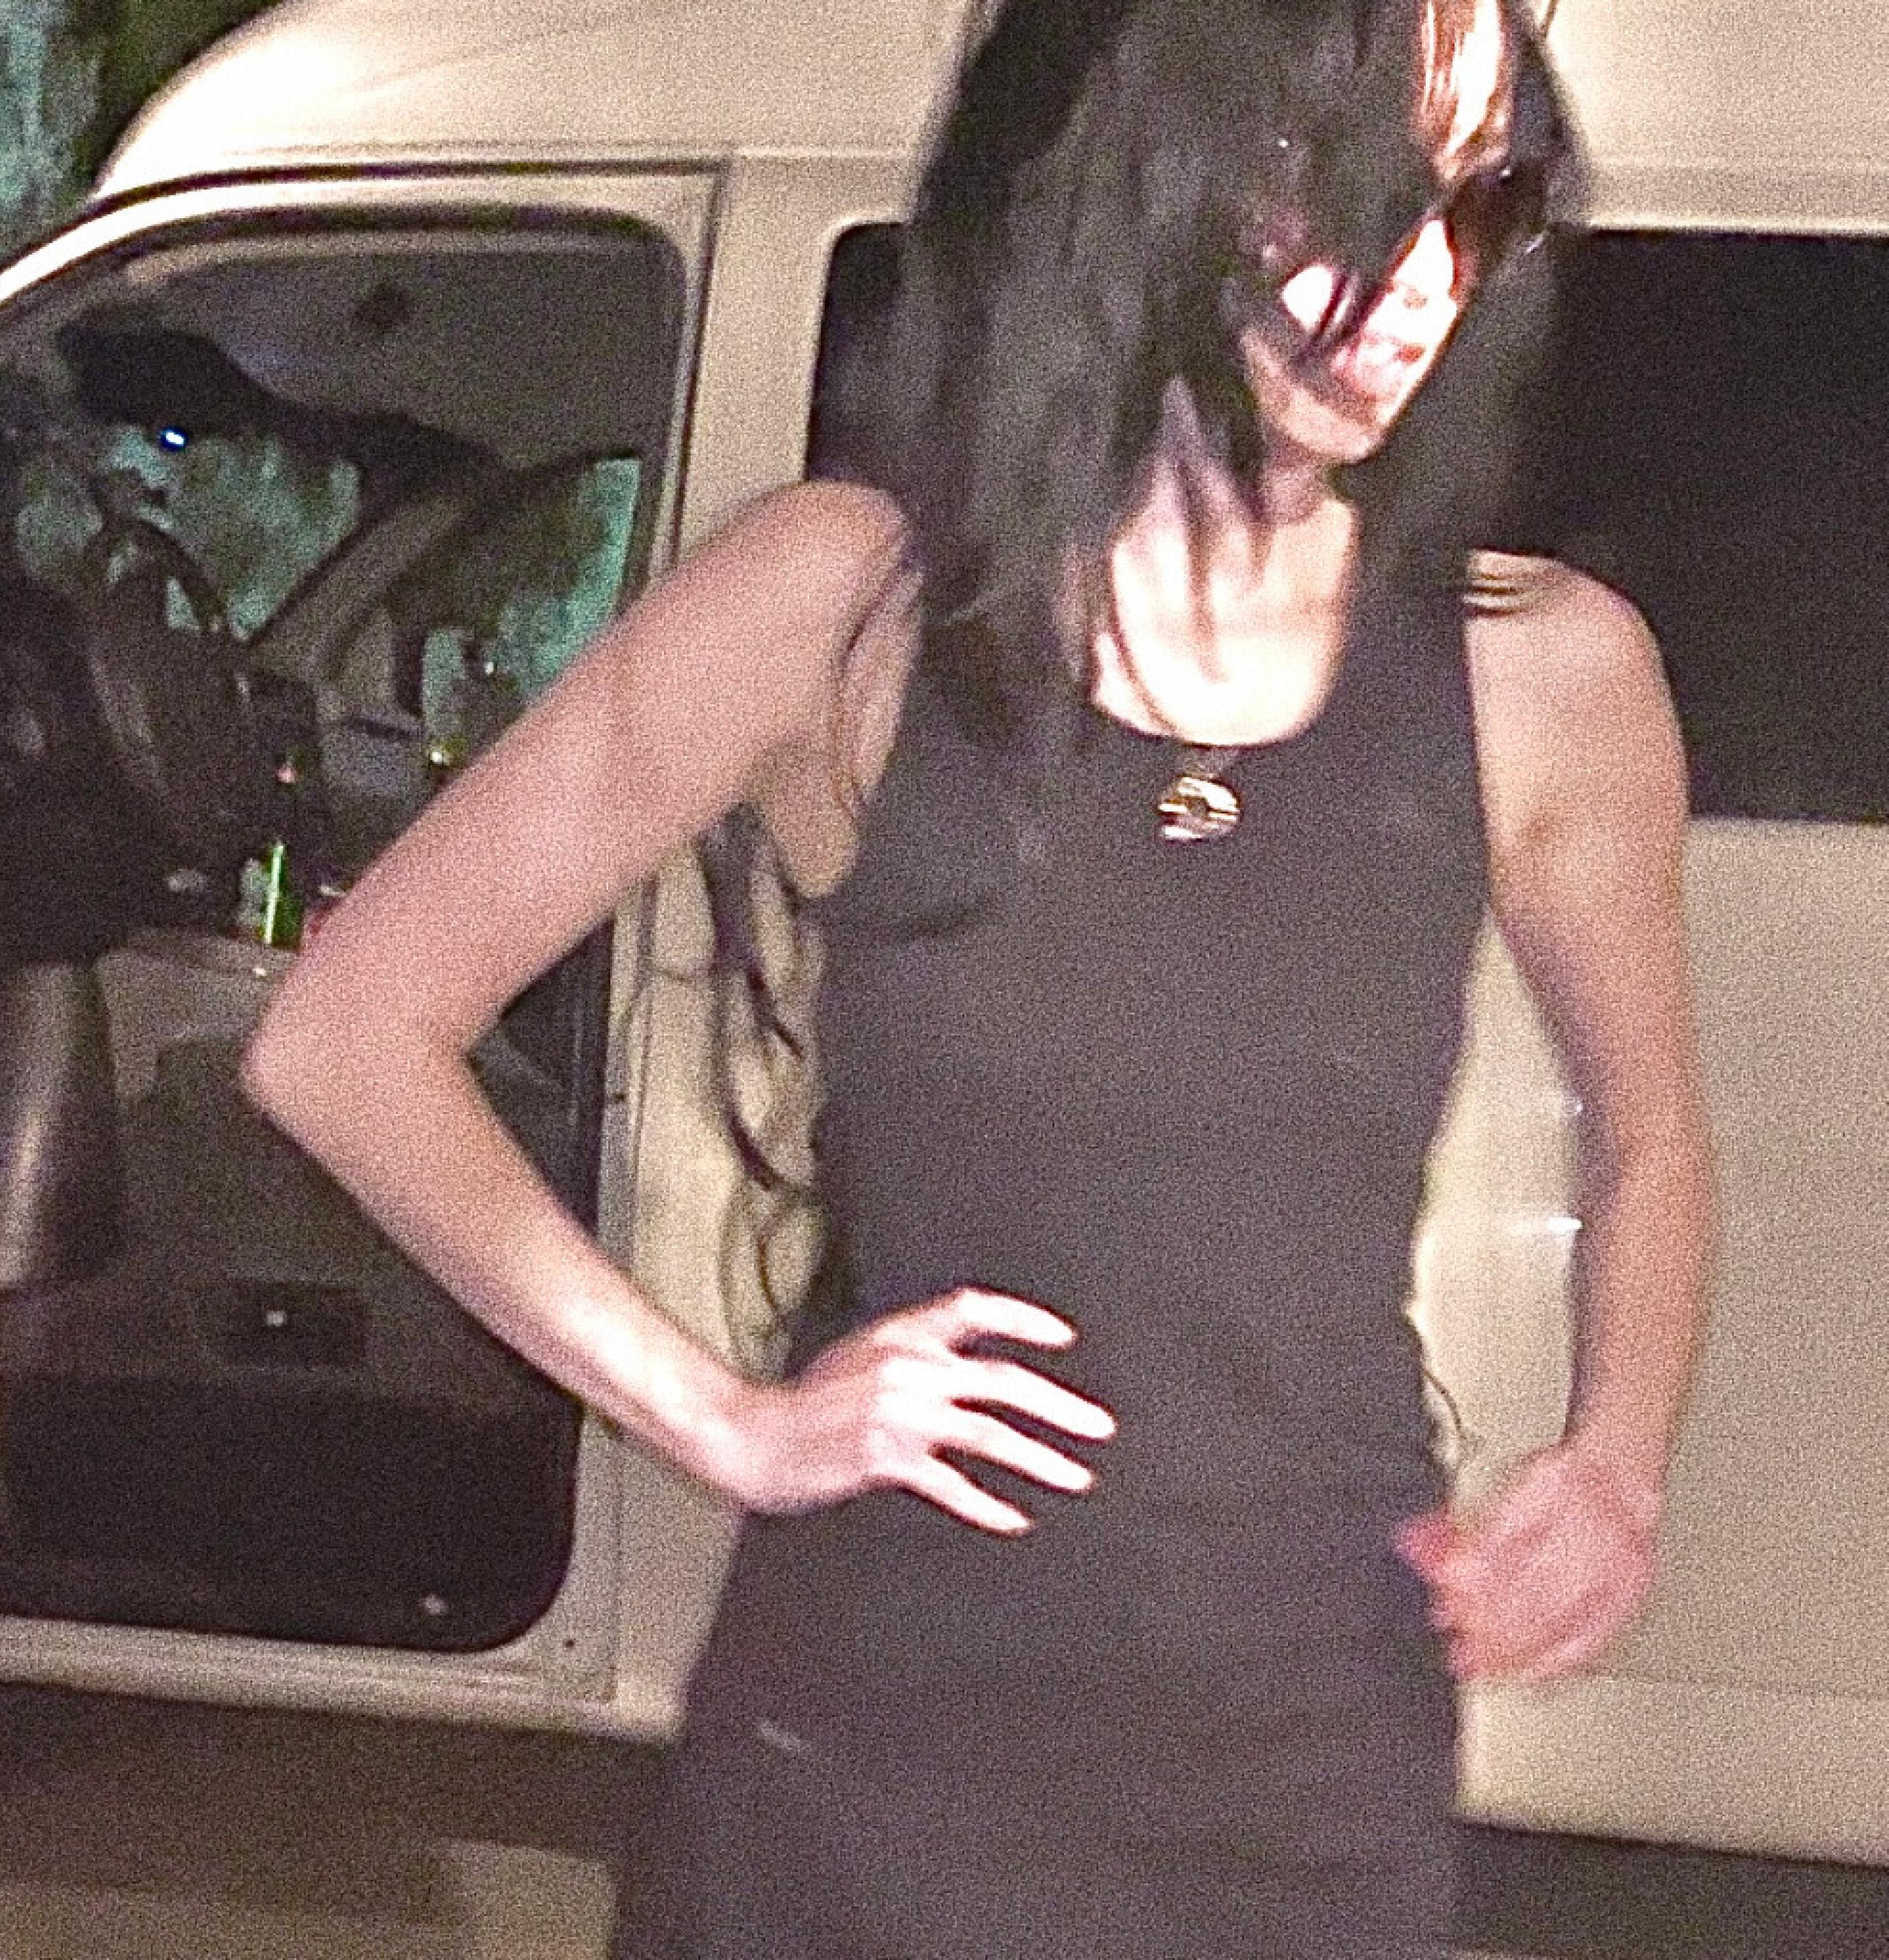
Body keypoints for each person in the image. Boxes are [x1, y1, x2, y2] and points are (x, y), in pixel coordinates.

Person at [242, 0, 1713, 1951]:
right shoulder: (848, 605)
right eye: (1350, 189)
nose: (1421, 276)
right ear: (1154, 167)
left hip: (1306, 1757)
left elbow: (1653, 1141)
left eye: (1477, 202)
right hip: (874, 1755)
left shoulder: (1543, 676)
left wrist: (1616, 1463)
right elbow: (347, 1038)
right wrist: (724, 1419)